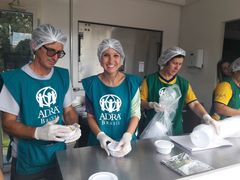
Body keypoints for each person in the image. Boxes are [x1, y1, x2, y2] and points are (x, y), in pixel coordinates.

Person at [0, 24, 81, 179]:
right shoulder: (16, 80)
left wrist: (73, 126)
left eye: (59, 52)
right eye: (51, 50)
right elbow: (8, 124)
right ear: (35, 46)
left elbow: (69, 110)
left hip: (58, 156)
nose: (55, 57)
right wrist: (38, 132)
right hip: (28, 159)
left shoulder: (62, 76)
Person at [82, 38, 142, 157]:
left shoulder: (132, 83)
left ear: (121, 59)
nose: (111, 60)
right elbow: (90, 116)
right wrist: (100, 136)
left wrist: (127, 136)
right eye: (106, 55)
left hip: (126, 143)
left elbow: (135, 113)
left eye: (116, 55)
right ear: (100, 59)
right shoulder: (91, 84)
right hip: (99, 144)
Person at [139, 46, 217, 136]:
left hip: (175, 129)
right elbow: (140, 102)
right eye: (174, 63)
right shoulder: (150, 80)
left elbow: (194, 104)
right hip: (153, 129)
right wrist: (150, 104)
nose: (177, 67)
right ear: (166, 62)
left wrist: (206, 117)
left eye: (180, 64)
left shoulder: (183, 84)